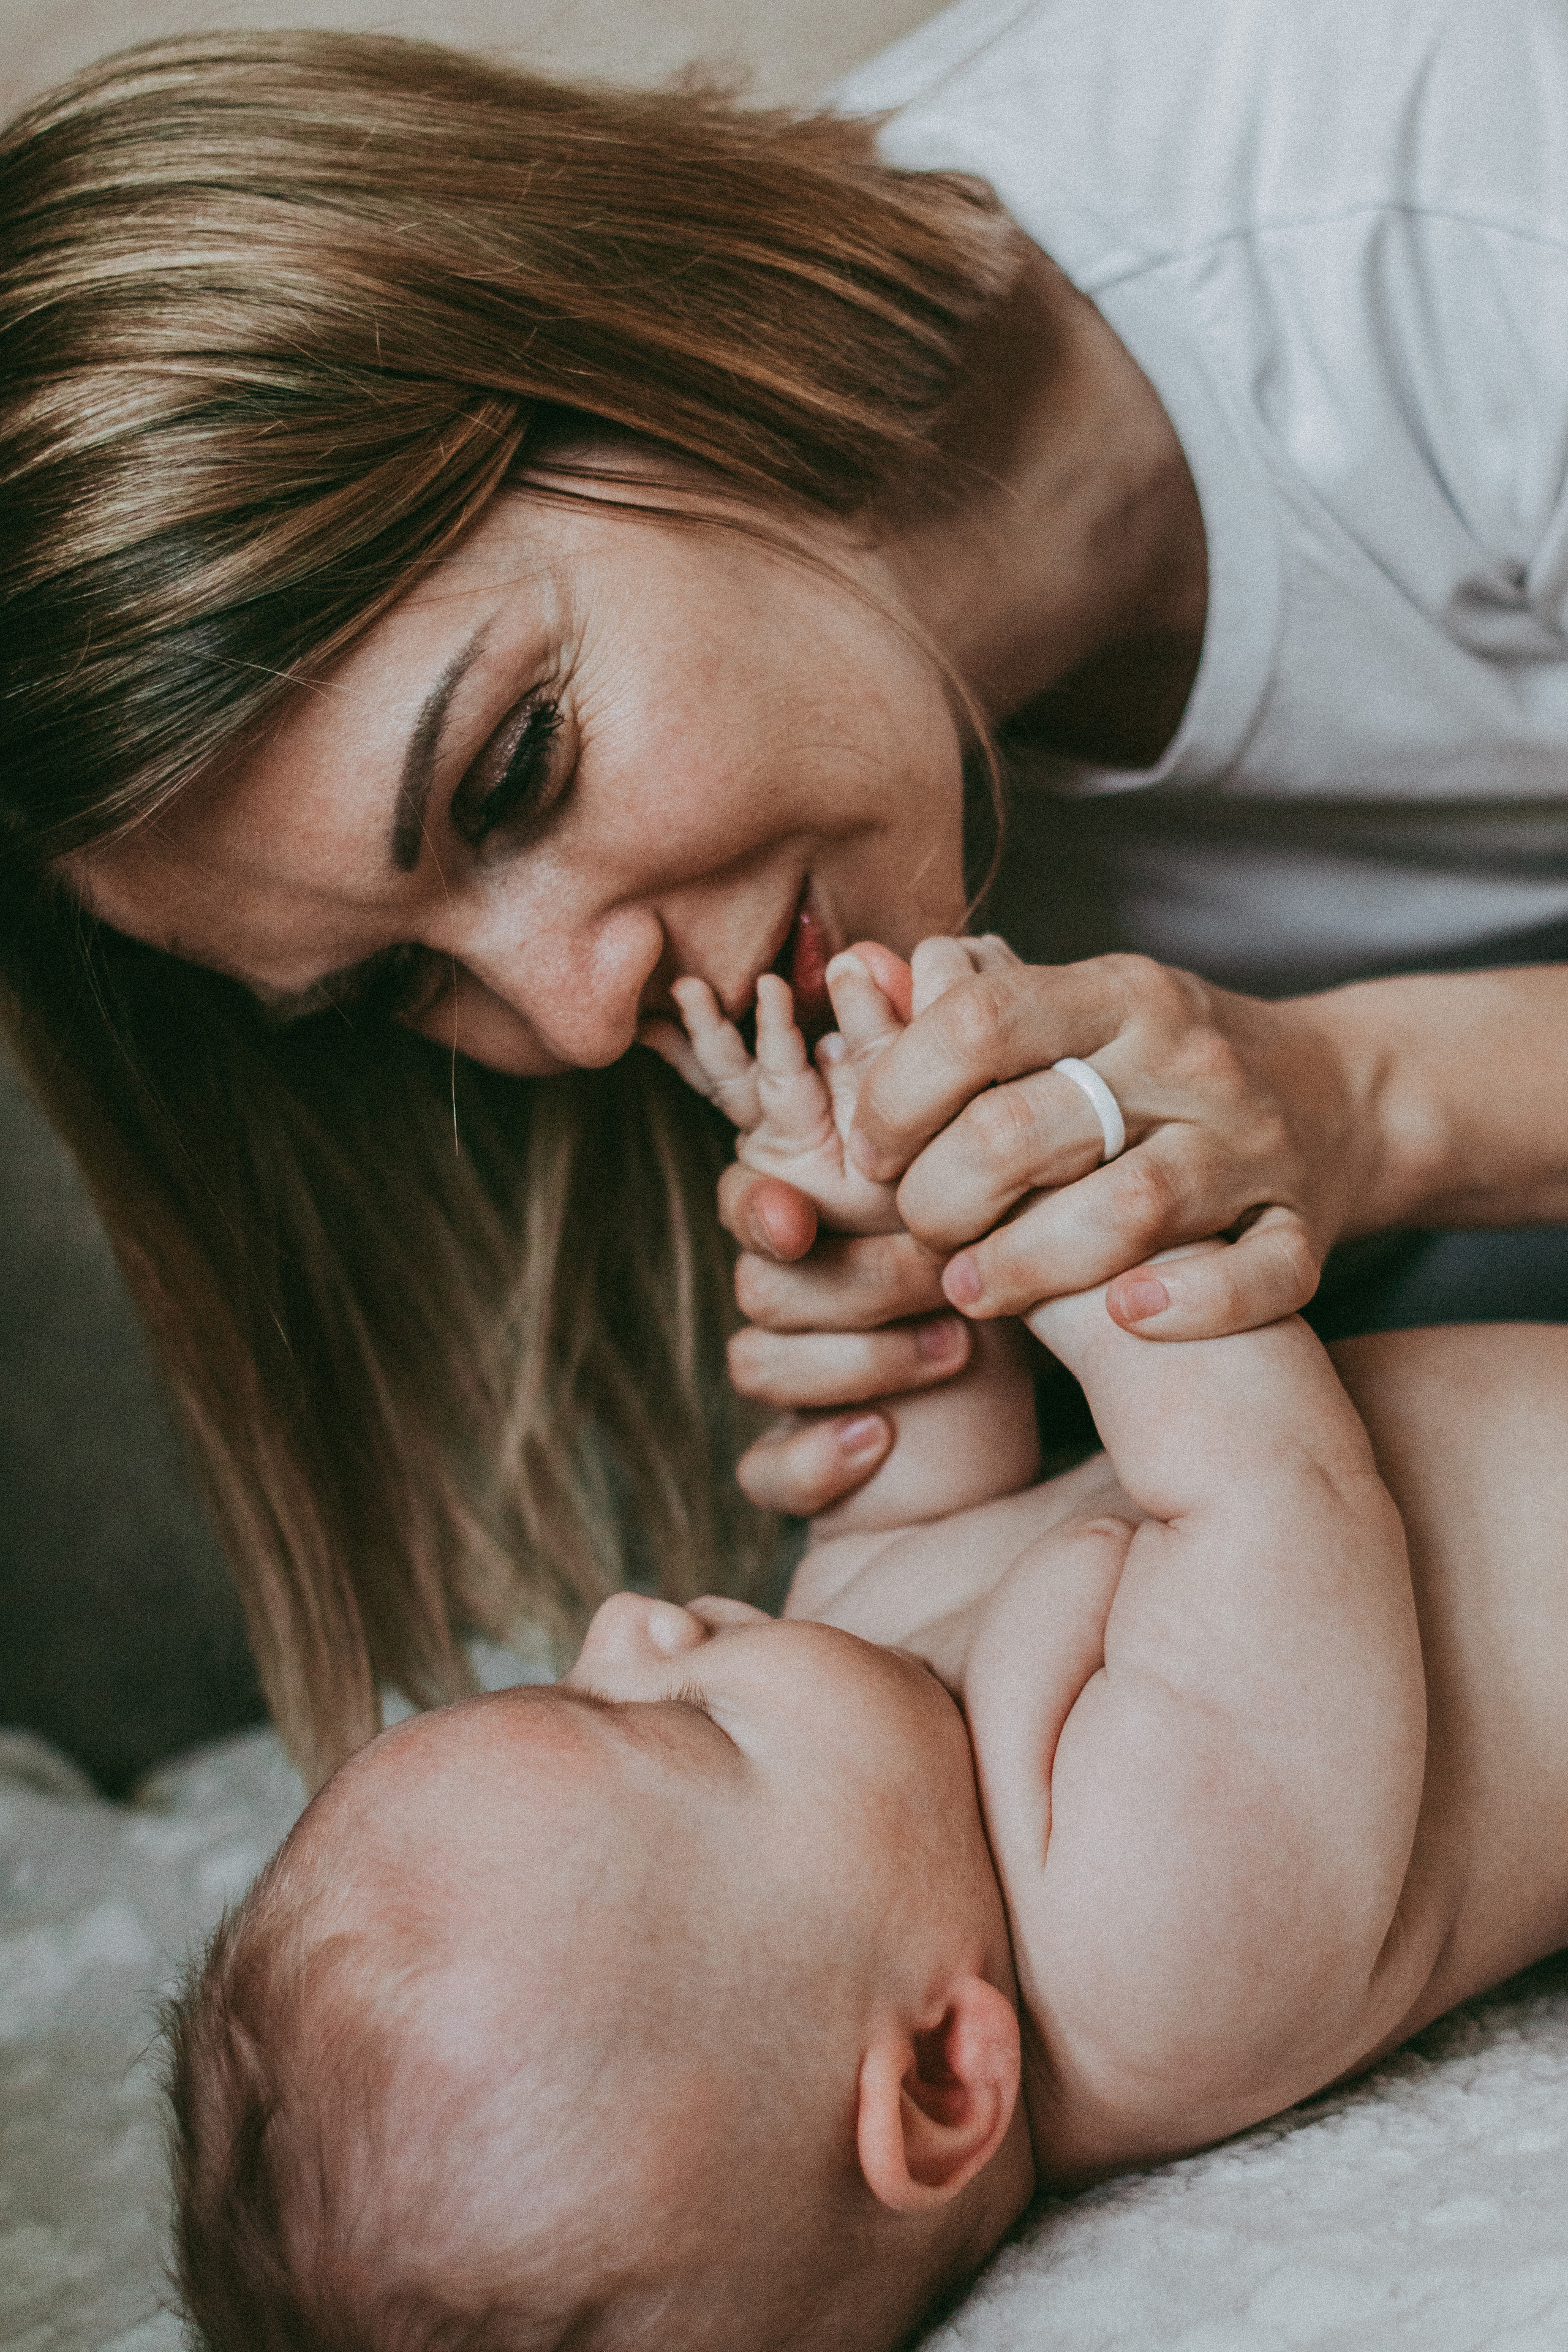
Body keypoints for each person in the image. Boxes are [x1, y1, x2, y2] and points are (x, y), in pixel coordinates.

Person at [6, 0, 1568, 1783]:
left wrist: (1368, 1103)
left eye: (512, 771)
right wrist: (964, 1403)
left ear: (645, 349)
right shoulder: (820, 843)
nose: (580, 1018)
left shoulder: (1460, 197)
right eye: (395, 988)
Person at [164, 948, 1568, 2351]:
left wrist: (854, 1208)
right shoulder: (1152, 1957)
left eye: (569, 1678)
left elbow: (928, 1462)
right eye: (674, 1727)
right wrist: (1057, 1192)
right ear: (944, 2078)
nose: (629, 1625)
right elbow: (1271, 1487)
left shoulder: (858, 1762)